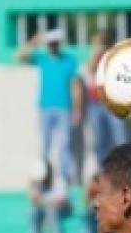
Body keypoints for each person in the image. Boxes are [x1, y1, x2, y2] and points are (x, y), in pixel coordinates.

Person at [17, 28, 82, 186]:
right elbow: (19, 57)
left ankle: (63, 178)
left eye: (55, 43)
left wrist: (77, 109)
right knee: (45, 145)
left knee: (64, 144)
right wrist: (33, 42)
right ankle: (44, 178)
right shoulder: (42, 58)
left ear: (59, 44)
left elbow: (75, 86)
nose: (53, 46)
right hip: (45, 108)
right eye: (50, 43)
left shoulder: (69, 61)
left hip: (64, 108)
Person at [81, 29, 131, 178]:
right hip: (95, 105)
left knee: (121, 140)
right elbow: (88, 72)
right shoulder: (94, 57)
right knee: (99, 142)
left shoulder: (117, 56)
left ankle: (126, 173)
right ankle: (105, 174)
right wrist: (96, 54)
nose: (100, 44)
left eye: (102, 41)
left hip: (113, 103)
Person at [28, 159, 70, 233]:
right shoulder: (37, 184)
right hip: (46, 210)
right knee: (33, 212)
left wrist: (45, 202)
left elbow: (62, 201)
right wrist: (34, 186)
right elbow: (34, 200)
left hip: (61, 210)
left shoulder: (59, 181)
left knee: (51, 211)